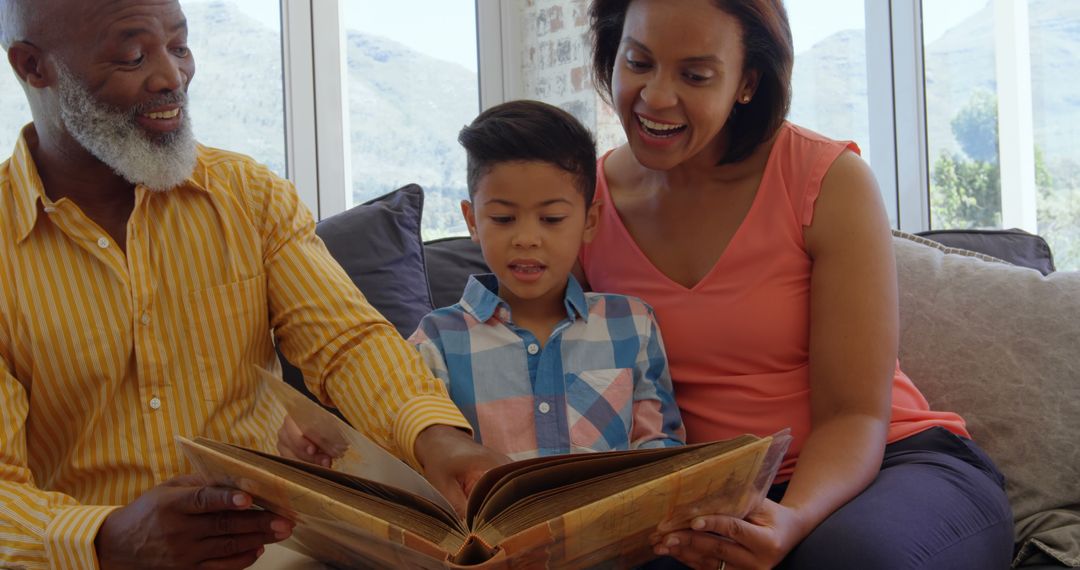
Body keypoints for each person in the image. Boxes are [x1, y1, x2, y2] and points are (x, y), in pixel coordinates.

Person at [0, 1, 505, 568]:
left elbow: (347, 344)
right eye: (133, 55)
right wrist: (106, 539)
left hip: (274, 549)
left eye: (180, 46)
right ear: (32, 66)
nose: (172, 77)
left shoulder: (251, 196)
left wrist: (441, 441)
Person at [580, 0, 1014, 568]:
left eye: (695, 75)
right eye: (638, 63)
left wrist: (792, 517)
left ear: (747, 83)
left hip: (889, 464)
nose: (657, 96)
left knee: (844, 560)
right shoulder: (580, 205)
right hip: (712, 495)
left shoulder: (827, 180)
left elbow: (855, 414)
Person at [415, 99, 685, 459]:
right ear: (471, 221)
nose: (526, 238)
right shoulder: (435, 343)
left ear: (589, 221)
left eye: (552, 219)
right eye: (503, 218)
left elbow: (660, 450)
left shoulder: (632, 325)